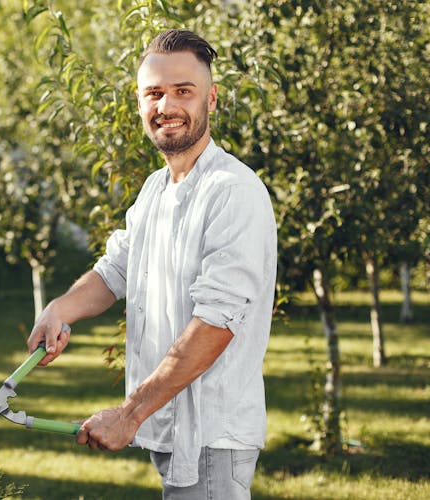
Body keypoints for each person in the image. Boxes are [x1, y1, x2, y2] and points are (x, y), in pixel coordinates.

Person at [27, 29, 277, 499]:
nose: (168, 106)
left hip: (209, 439)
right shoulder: (154, 191)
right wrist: (60, 308)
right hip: (173, 434)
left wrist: (128, 415)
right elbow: (115, 270)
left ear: (212, 99)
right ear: (141, 103)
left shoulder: (233, 192)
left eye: (184, 91)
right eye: (154, 93)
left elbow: (216, 325)